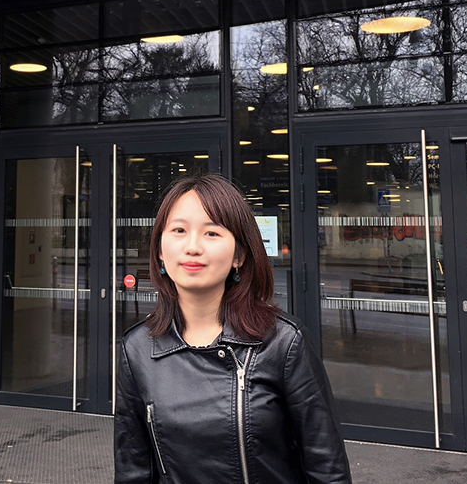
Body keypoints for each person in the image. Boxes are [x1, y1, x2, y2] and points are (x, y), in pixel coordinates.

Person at [114, 175, 351, 484]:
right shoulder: (137, 349)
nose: (193, 246)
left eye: (212, 232)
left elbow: (327, 469)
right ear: (159, 250)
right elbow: (133, 469)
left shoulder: (283, 343)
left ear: (239, 255)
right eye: (178, 230)